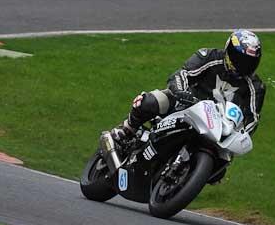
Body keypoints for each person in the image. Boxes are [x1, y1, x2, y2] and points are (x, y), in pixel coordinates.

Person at [111, 29, 266, 145]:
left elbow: (252, 119)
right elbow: (182, 74)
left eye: (249, 63)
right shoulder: (209, 57)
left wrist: (239, 136)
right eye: (239, 59)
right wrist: (181, 92)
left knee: (221, 167)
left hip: (218, 130)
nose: (243, 66)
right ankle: (127, 129)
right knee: (149, 101)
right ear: (229, 52)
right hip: (186, 107)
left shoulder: (256, 87)